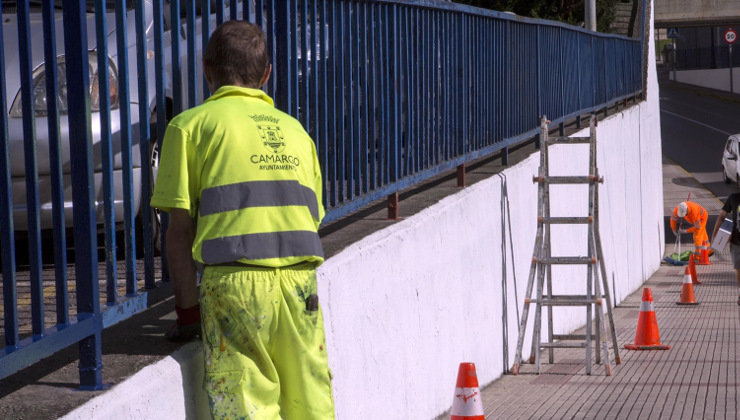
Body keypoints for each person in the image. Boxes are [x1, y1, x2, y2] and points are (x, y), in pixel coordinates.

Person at [150, 21, 335, 419]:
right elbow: (312, 215)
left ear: (206, 69)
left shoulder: (189, 127)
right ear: (266, 74)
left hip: (234, 284)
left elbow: (178, 236)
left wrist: (187, 315)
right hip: (302, 284)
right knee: (311, 401)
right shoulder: (298, 132)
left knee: (246, 404)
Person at [710, 193, 740, 306]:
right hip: (737, 241)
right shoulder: (734, 198)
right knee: (738, 268)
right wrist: (715, 234)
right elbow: (722, 216)